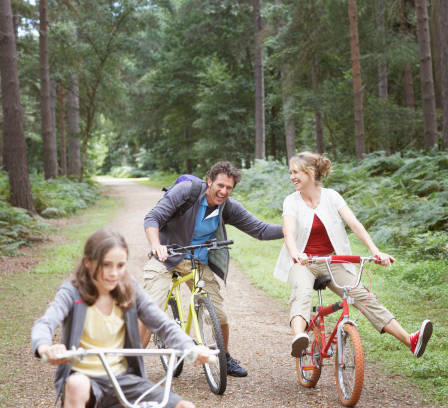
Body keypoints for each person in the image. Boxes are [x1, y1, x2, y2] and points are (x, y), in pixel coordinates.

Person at [274, 151, 433, 358]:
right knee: (302, 294)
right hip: (303, 262)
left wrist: (375, 251)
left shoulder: (331, 196)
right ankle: (299, 337)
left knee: (363, 296)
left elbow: (355, 224)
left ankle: (410, 341)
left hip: (332, 260)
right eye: (291, 172)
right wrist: (296, 254)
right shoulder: (291, 201)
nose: (292, 177)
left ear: (311, 173)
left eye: (296, 172)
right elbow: (289, 231)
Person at [32, 228, 212, 408]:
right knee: (76, 385)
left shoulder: (129, 290)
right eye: (106, 265)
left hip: (123, 380)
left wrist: (189, 347)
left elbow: (163, 324)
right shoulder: (72, 292)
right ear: (88, 262)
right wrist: (45, 347)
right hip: (85, 380)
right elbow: (46, 322)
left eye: (120, 266)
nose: (113, 273)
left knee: (184, 406)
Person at [141, 161, 283, 377]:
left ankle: (224, 357)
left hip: (198, 261)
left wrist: (291, 228)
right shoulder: (186, 192)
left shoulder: (228, 207)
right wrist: (156, 245)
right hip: (166, 256)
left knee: (219, 314)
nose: (224, 191)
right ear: (209, 181)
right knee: (151, 309)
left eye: (229, 188)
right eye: (220, 185)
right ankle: (132, 366)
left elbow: (260, 230)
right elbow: (153, 218)